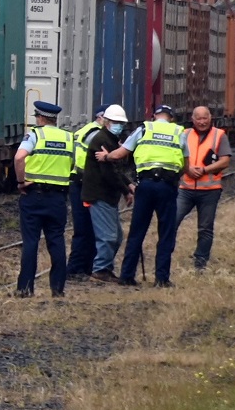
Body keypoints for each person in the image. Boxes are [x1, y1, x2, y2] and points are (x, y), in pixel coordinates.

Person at [98, 104, 187, 287]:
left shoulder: (144, 128)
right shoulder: (179, 132)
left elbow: (121, 153)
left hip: (145, 186)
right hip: (167, 186)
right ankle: (162, 279)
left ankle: (126, 276)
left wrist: (106, 157)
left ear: (154, 116)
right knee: (166, 233)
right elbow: (186, 164)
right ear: (171, 118)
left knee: (137, 232)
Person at [13, 101, 76, 298]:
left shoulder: (35, 134)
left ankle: (25, 289)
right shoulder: (68, 137)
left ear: (40, 118)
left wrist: (21, 181)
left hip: (34, 196)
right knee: (56, 241)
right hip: (57, 198)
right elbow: (73, 163)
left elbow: (19, 158)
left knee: (31, 242)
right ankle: (57, 288)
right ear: (54, 119)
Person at [176, 106, 231, 270]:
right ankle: (165, 254)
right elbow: (176, 156)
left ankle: (201, 261)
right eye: (198, 118)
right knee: (172, 221)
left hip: (210, 190)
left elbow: (225, 161)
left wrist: (204, 170)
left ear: (210, 118)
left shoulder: (219, 135)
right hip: (185, 188)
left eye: (204, 118)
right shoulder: (184, 134)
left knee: (205, 228)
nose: (201, 122)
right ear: (192, 119)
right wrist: (187, 169)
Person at [83, 105, 134, 284]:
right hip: (99, 194)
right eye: (115, 122)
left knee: (116, 236)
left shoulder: (112, 140)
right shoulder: (102, 141)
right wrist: (126, 190)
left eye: (121, 123)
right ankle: (100, 270)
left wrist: (128, 185)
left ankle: (105, 268)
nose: (119, 126)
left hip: (107, 195)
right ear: (106, 122)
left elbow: (116, 170)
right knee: (108, 236)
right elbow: (109, 173)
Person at [66, 107, 106, 281]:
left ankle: (83, 267)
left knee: (86, 228)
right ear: (101, 117)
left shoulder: (86, 130)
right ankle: (76, 269)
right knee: (85, 228)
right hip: (84, 183)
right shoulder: (96, 135)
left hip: (80, 182)